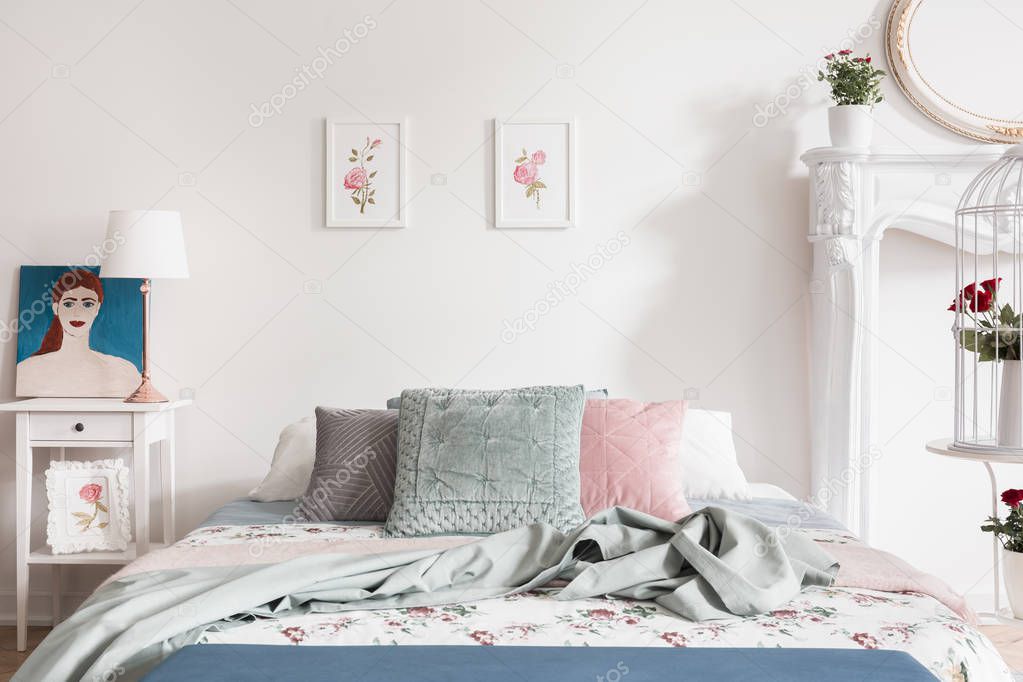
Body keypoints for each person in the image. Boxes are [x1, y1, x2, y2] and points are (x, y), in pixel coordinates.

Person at [17, 269, 141, 397]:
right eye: (69, 304)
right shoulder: (27, 370)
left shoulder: (124, 371)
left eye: (87, 304)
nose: (78, 313)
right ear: (56, 308)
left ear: (97, 309)